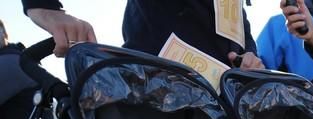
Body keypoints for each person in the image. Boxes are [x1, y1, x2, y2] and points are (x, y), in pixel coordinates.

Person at [22, 0, 263, 69]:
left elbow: (242, 31)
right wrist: (45, 7)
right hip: (158, 103)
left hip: (230, 116)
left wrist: (250, 56)